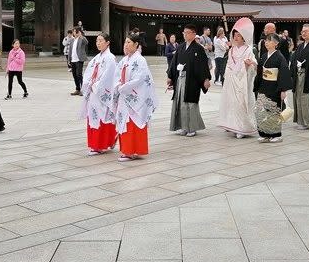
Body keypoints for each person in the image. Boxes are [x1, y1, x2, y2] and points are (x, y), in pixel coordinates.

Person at [113, 32, 157, 161]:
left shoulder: (140, 59)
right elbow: (116, 76)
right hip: (124, 95)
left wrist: (123, 87)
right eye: (125, 42)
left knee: (132, 124)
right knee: (125, 123)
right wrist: (118, 85)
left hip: (135, 98)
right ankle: (128, 150)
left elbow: (139, 79)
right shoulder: (125, 60)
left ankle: (131, 151)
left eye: (128, 43)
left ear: (136, 44)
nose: (126, 45)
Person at [167, 24, 211, 137]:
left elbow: (203, 65)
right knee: (180, 102)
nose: (185, 35)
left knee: (190, 103)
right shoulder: (181, 47)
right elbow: (173, 63)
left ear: (193, 34)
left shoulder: (199, 49)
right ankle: (183, 127)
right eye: (184, 33)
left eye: (187, 32)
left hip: (192, 80)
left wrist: (206, 79)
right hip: (180, 78)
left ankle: (192, 128)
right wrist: (170, 76)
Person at [218, 17, 258, 138]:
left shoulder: (249, 49)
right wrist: (231, 73)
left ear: (244, 37)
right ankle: (233, 125)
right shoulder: (231, 50)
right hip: (232, 80)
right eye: (235, 35)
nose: (236, 37)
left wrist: (249, 64)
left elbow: (254, 64)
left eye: (239, 35)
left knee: (242, 102)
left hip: (243, 80)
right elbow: (228, 65)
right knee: (232, 102)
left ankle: (242, 128)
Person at [80, 33, 117, 156]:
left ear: (107, 43)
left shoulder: (110, 58)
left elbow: (108, 78)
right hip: (93, 92)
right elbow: (88, 73)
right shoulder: (96, 58)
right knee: (94, 117)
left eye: (101, 40)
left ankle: (100, 145)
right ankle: (98, 144)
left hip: (101, 93)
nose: (98, 43)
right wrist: (88, 83)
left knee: (103, 117)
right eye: (97, 41)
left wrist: (95, 85)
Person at [254, 33, 292, 142]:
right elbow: (260, 71)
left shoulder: (280, 57)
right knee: (261, 110)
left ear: (276, 43)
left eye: (269, 41)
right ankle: (264, 133)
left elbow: (284, 73)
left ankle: (276, 135)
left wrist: (283, 90)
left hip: (274, 86)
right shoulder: (264, 56)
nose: (266, 43)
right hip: (264, 85)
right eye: (266, 41)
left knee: (273, 111)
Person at [69, 27, 88, 96]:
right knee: (74, 75)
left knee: (79, 74)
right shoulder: (71, 40)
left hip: (79, 59)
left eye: (75, 31)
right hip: (73, 60)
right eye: (73, 31)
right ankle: (77, 89)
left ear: (78, 32)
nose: (74, 33)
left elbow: (86, 42)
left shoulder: (81, 39)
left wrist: (81, 35)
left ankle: (83, 90)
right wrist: (69, 60)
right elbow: (70, 51)